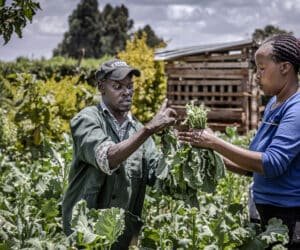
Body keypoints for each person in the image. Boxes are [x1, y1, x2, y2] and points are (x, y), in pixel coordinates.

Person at [178, 34, 300, 249]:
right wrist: (210, 155)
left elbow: (271, 163)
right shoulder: (274, 103)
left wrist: (215, 142)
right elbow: (252, 168)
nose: (256, 76)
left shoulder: (296, 109)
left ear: (285, 68)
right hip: (263, 208)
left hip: (288, 216)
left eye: (262, 68)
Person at [62, 59, 176, 249]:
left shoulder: (138, 131)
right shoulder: (87, 120)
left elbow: (158, 178)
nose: (127, 92)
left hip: (120, 237)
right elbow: (107, 157)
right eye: (118, 86)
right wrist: (149, 129)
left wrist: (176, 148)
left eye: (130, 86)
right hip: (83, 234)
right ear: (101, 87)